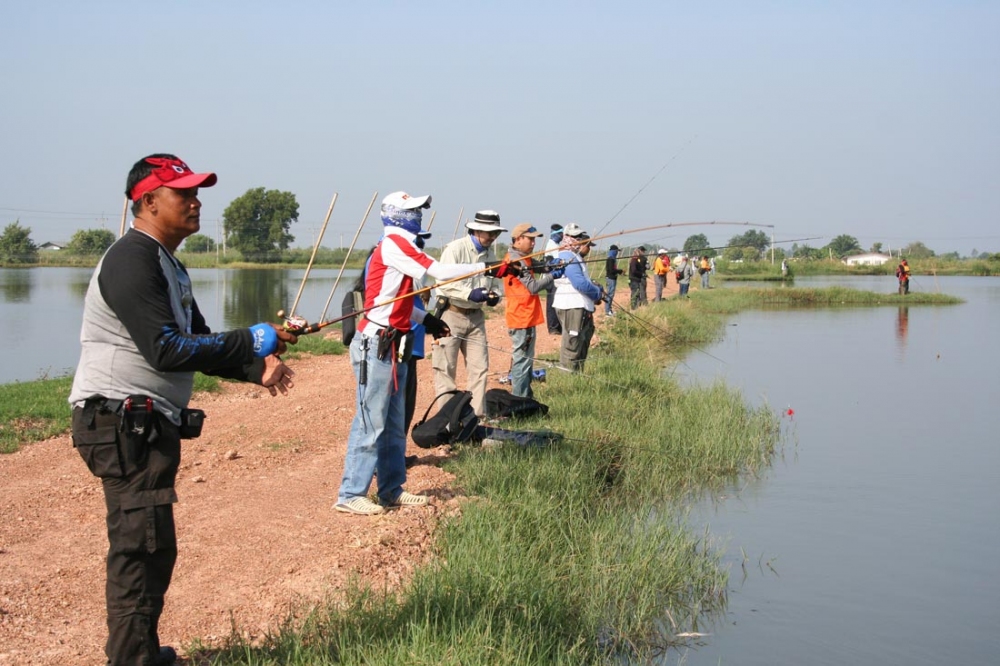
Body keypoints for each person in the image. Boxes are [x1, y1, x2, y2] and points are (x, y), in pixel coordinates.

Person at [68, 154, 298, 666]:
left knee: (154, 547)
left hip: (141, 422)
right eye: (184, 194)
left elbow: (196, 340)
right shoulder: (132, 258)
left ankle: (142, 652)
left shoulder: (167, 262)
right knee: (139, 548)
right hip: (120, 422)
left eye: (197, 193)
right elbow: (165, 349)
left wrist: (253, 364)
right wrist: (251, 337)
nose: (196, 203)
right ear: (148, 201)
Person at [336, 192, 509, 516]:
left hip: (394, 346)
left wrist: (427, 320)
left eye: (420, 209)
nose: (419, 215)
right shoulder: (394, 244)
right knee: (370, 421)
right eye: (414, 210)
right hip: (375, 345)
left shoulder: (402, 246)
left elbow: (397, 301)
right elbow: (440, 271)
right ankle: (350, 493)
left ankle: (391, 490)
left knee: (392, 421)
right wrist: (487, 267)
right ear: (396, 214)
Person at [432, 210, 506, 417]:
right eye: (489, 233)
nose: (492, 237)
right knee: (446, 370)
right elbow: (443, 283)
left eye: (495, 233)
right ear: (475, 230)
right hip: (451, 314)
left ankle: (476, 419)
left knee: (479, 369)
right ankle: (447, 422)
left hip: (476, 318)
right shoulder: (454, 250)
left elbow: (496, 283)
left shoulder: (491, 255)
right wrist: (469, 293)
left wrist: (495, 296)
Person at [503, 223, 562, 397]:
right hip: (520, 317)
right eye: (530, 239)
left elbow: (540, 266)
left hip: (526, 316)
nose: (533, 243)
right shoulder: (515, 261)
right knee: (521, 362)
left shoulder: (524, 257)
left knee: (527, 360)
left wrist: (551, 265)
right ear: (519, 239)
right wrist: (552, 276)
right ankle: (519, 401)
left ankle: (526, 397)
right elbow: (533, 287)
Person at [553, 224, 604, 372]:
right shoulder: (566, 256)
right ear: (568, 238)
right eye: (575, 238)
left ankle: (578, 378)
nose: (578, 240)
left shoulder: (574, 256)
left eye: (579, 238)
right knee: (572, 346)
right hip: (572, 305)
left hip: (580, 306)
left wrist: (595, 289)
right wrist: (597, 293)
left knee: (580, 344)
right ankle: (568, 382)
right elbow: (580, 283)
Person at [544, 224, 564, 334]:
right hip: (550, 278)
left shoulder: (556, 244)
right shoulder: (551, 245)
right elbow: (551, 262)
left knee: (556, 301)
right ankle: (553, 327)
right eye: (561, 234)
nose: (562, 236)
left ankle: (558, 326)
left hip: (555, 277)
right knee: (552, 303)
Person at [604, 244, 623, 316]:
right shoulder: (610, 259)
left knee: (611, 294)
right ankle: (607, 311)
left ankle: (609, 310)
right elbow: (611, 270)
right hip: (610, 278)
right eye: (616, 251)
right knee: (609, 294)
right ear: (613, 251)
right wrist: (619, 271)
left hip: (613, 278)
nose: (617, 253)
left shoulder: (613, 259)